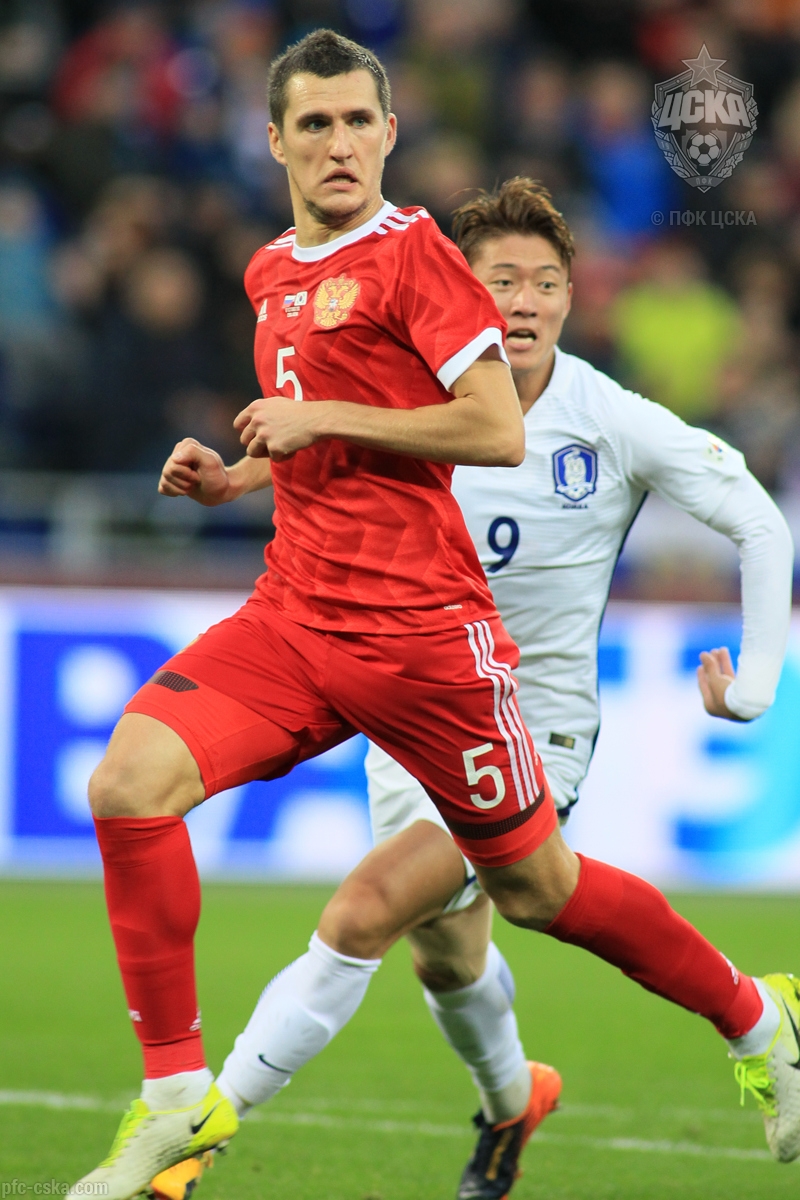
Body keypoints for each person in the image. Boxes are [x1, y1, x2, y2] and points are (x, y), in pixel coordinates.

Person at [70, 33, 797, 1199]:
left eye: (358, 121)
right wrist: (240, 474)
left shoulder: (446, 285)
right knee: (141, 794)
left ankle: (756, 1016)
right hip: (301, 619)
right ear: (273, 141)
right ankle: (184, 1101)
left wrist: (756, 683)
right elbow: (330, 424)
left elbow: (494, 431)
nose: (339, 144)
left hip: (451, 665)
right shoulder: (271, 273)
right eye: (315, 124)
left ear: (389, 133)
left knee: (496, 895)